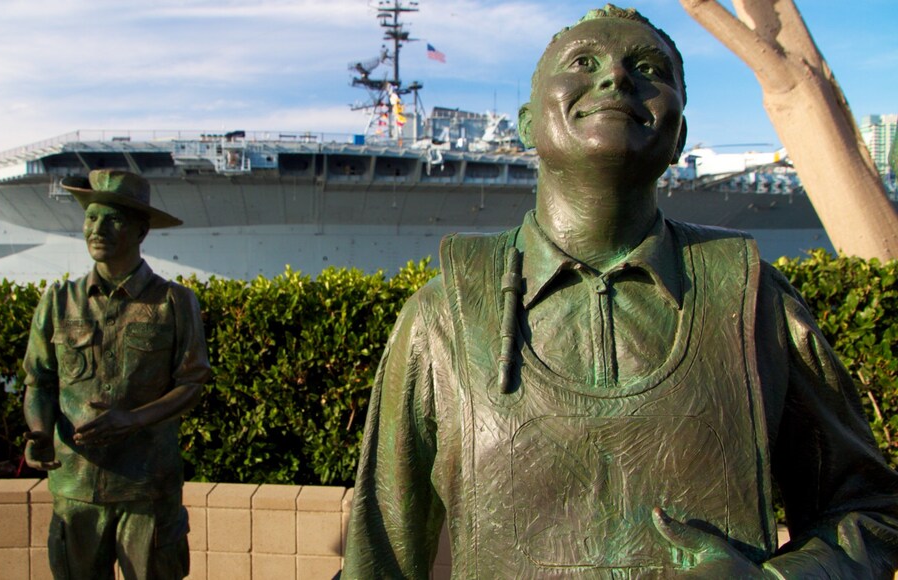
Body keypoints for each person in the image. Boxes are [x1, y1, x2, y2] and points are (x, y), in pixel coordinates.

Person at [343, 5, 898, 578]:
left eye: (648, 67)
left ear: (679, 134)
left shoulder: (753, 299)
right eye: (583, 62)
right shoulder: (441, 316)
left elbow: (873, 510)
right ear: (526, 125)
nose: (616, 78)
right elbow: (378, 552)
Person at [23, 169, 211, 579]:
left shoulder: (175, 302)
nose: (97, 229)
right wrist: (38, 433)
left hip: (147, 488)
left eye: (114, 220)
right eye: (91, 217)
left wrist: (134, 419)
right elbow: (39, 382)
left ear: (141, 231)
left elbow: (192, 383)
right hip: (75, 489)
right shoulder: (58, 301)